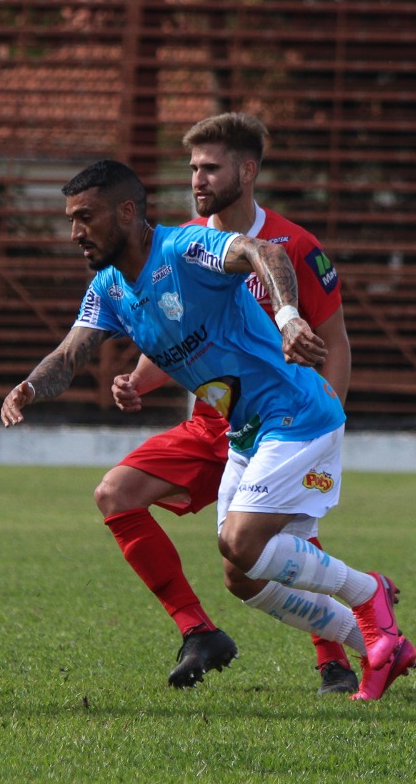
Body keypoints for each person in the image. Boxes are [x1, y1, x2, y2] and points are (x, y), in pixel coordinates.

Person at [1, 159, 416, 701]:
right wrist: (28, 388)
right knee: (242, 576)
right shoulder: (107, 287)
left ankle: (369, 594)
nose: (76, 232)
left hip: (295, 413)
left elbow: (262, 251)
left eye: (86, 218)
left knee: (240, 542)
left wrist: (288, 315)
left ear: (127, 212)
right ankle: (379, 647)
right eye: (71, 219)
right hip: (244, 430)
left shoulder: (181, 249)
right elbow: (70, 352)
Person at [94, 113, 358, 693]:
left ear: (247, 170)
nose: (197, 178)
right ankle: (198, 632)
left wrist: (326, 418)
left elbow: (335, 341)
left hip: (285, 420)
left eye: (210, 167)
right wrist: (137, 381)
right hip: (211, 426)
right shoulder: (180, 245)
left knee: (274, 548)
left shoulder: (295, 245)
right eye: (192, 168)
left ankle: (335, 658)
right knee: (116, 494)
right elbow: (176, 339)